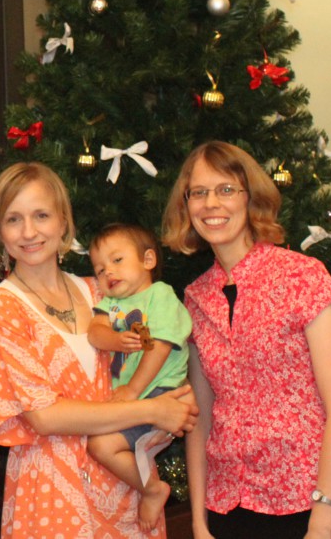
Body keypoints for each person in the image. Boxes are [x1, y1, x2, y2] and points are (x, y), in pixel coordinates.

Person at [0, 162, 198, 538]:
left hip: (126, 487)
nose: (29, 232)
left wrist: (176, 398)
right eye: (14, 219)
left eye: (41, 215)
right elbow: (44, 417)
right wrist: (152, 409)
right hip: (52, 494)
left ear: (63, 222)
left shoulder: (100, 292)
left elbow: (153, 353)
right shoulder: (1, 308)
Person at [161, 141, 331, 539]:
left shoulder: (303, 277)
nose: (210, 204)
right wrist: (200, 523)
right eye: (198, 193)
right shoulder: (196, 298)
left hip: (312, 504)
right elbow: (202, 422)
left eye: (225, 189)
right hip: (229, 507)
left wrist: (322, 523)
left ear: (250, 198)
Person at [86, 223, 193, 531]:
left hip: (160, 392)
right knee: (100, 444)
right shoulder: (111, 303)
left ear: (148, 261)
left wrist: (133, 390)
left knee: (101, 446)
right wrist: (114, 340)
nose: (109, 272)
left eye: (117, 261)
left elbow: (159, 348)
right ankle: (150, 484)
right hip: (134, 397)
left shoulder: (160, 295)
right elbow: (96, 332)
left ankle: (152, 489)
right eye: (100, 268)